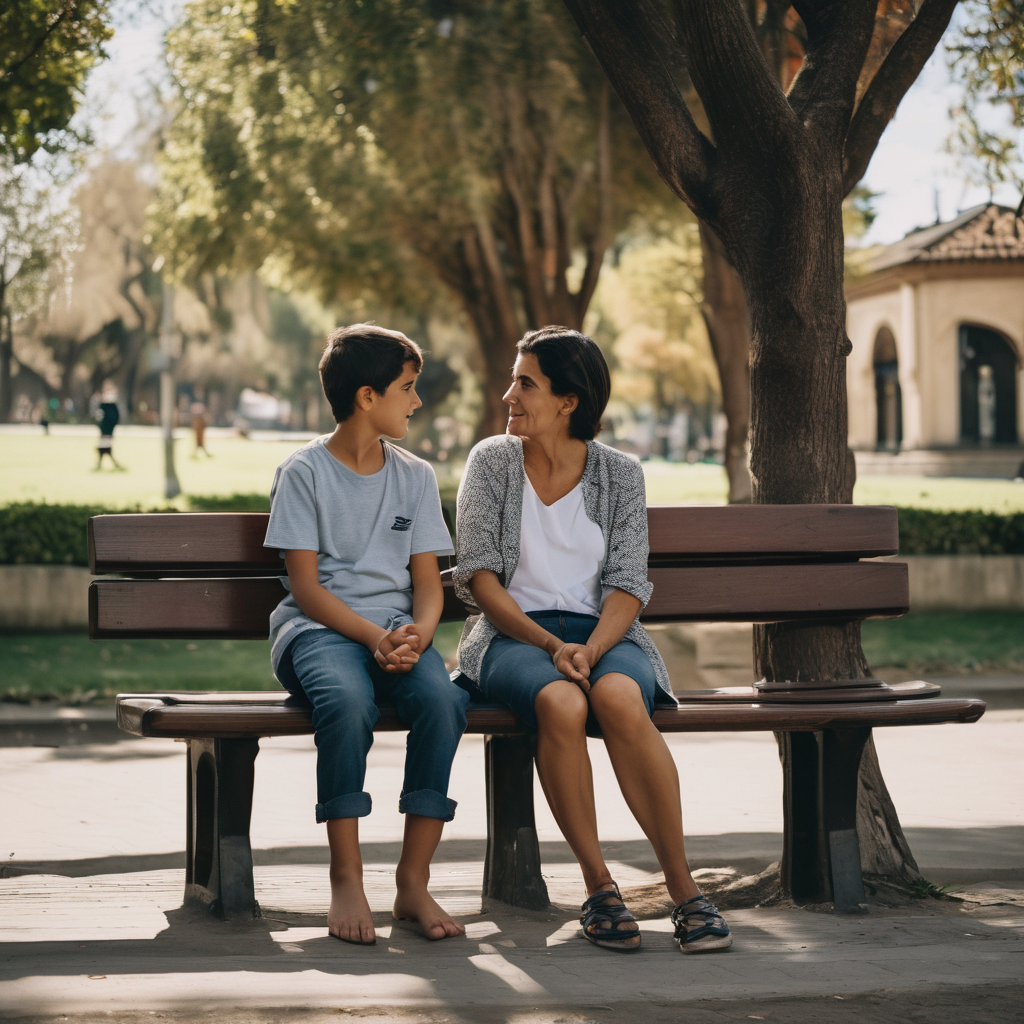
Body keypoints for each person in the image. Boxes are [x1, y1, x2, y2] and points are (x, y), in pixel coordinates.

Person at [454, 326, 731, 955]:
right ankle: (600, 887)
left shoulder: (620, 474)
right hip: (510, 638)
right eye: (514, 379)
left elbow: (629, 583)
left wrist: (593, 647)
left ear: (568, 400)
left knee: (622, 701)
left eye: (526, 383)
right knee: (562, 702)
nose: (509, 395)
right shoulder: (491, 462)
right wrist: (553, 649)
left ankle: (685, 891)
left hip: (605, 635)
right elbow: (479, 579)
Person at [264, 323, 469, 946]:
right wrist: (373, 639)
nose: (417, 400)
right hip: (317, 630)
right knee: (348, 703)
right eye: (407, 388)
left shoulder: (415, 476)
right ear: (366, 397)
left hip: (397, 633)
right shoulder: (303, 472)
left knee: (444, 700)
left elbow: (428, 583)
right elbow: (306, 588)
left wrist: (417, 634)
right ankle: (346, 877)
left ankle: (412, 880)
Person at [94, 381, 124, 470]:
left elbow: (115, 417)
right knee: (104, 445)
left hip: (108, 428)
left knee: (105, 445)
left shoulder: (110, 406)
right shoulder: (103, 406)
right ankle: (106, 462)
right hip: (105, 428)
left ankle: (102, 462)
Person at [190, 389, 211, 457]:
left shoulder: (204, 400)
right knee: (197, 440)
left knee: (201, 440)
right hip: (197, 422)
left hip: (201, 423)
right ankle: (197, 453)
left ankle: (200, 453)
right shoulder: (193, 400)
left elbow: (205, 413)